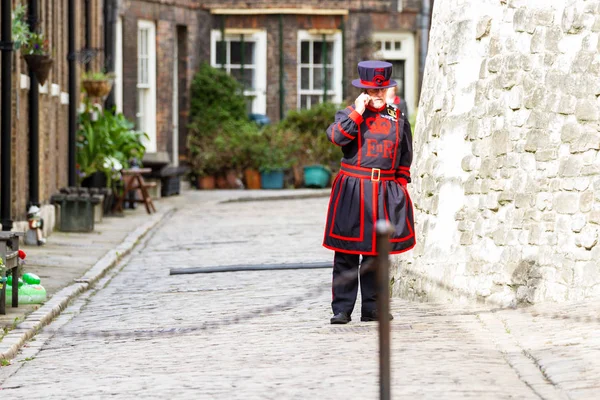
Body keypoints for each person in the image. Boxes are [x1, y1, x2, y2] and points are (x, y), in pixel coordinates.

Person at [323, 60, 415, 325]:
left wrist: (399, 189)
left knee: (377, 252)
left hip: (383, 192)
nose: (377, 95)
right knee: (346, 251)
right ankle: (342, 309)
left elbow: (404, 159)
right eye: (372, 91)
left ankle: (373, 308)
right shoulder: (348, 114)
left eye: (381, 90)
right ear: (363, 90)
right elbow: (336, 138)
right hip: (352, 190)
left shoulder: (398, 118)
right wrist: (358, 113)